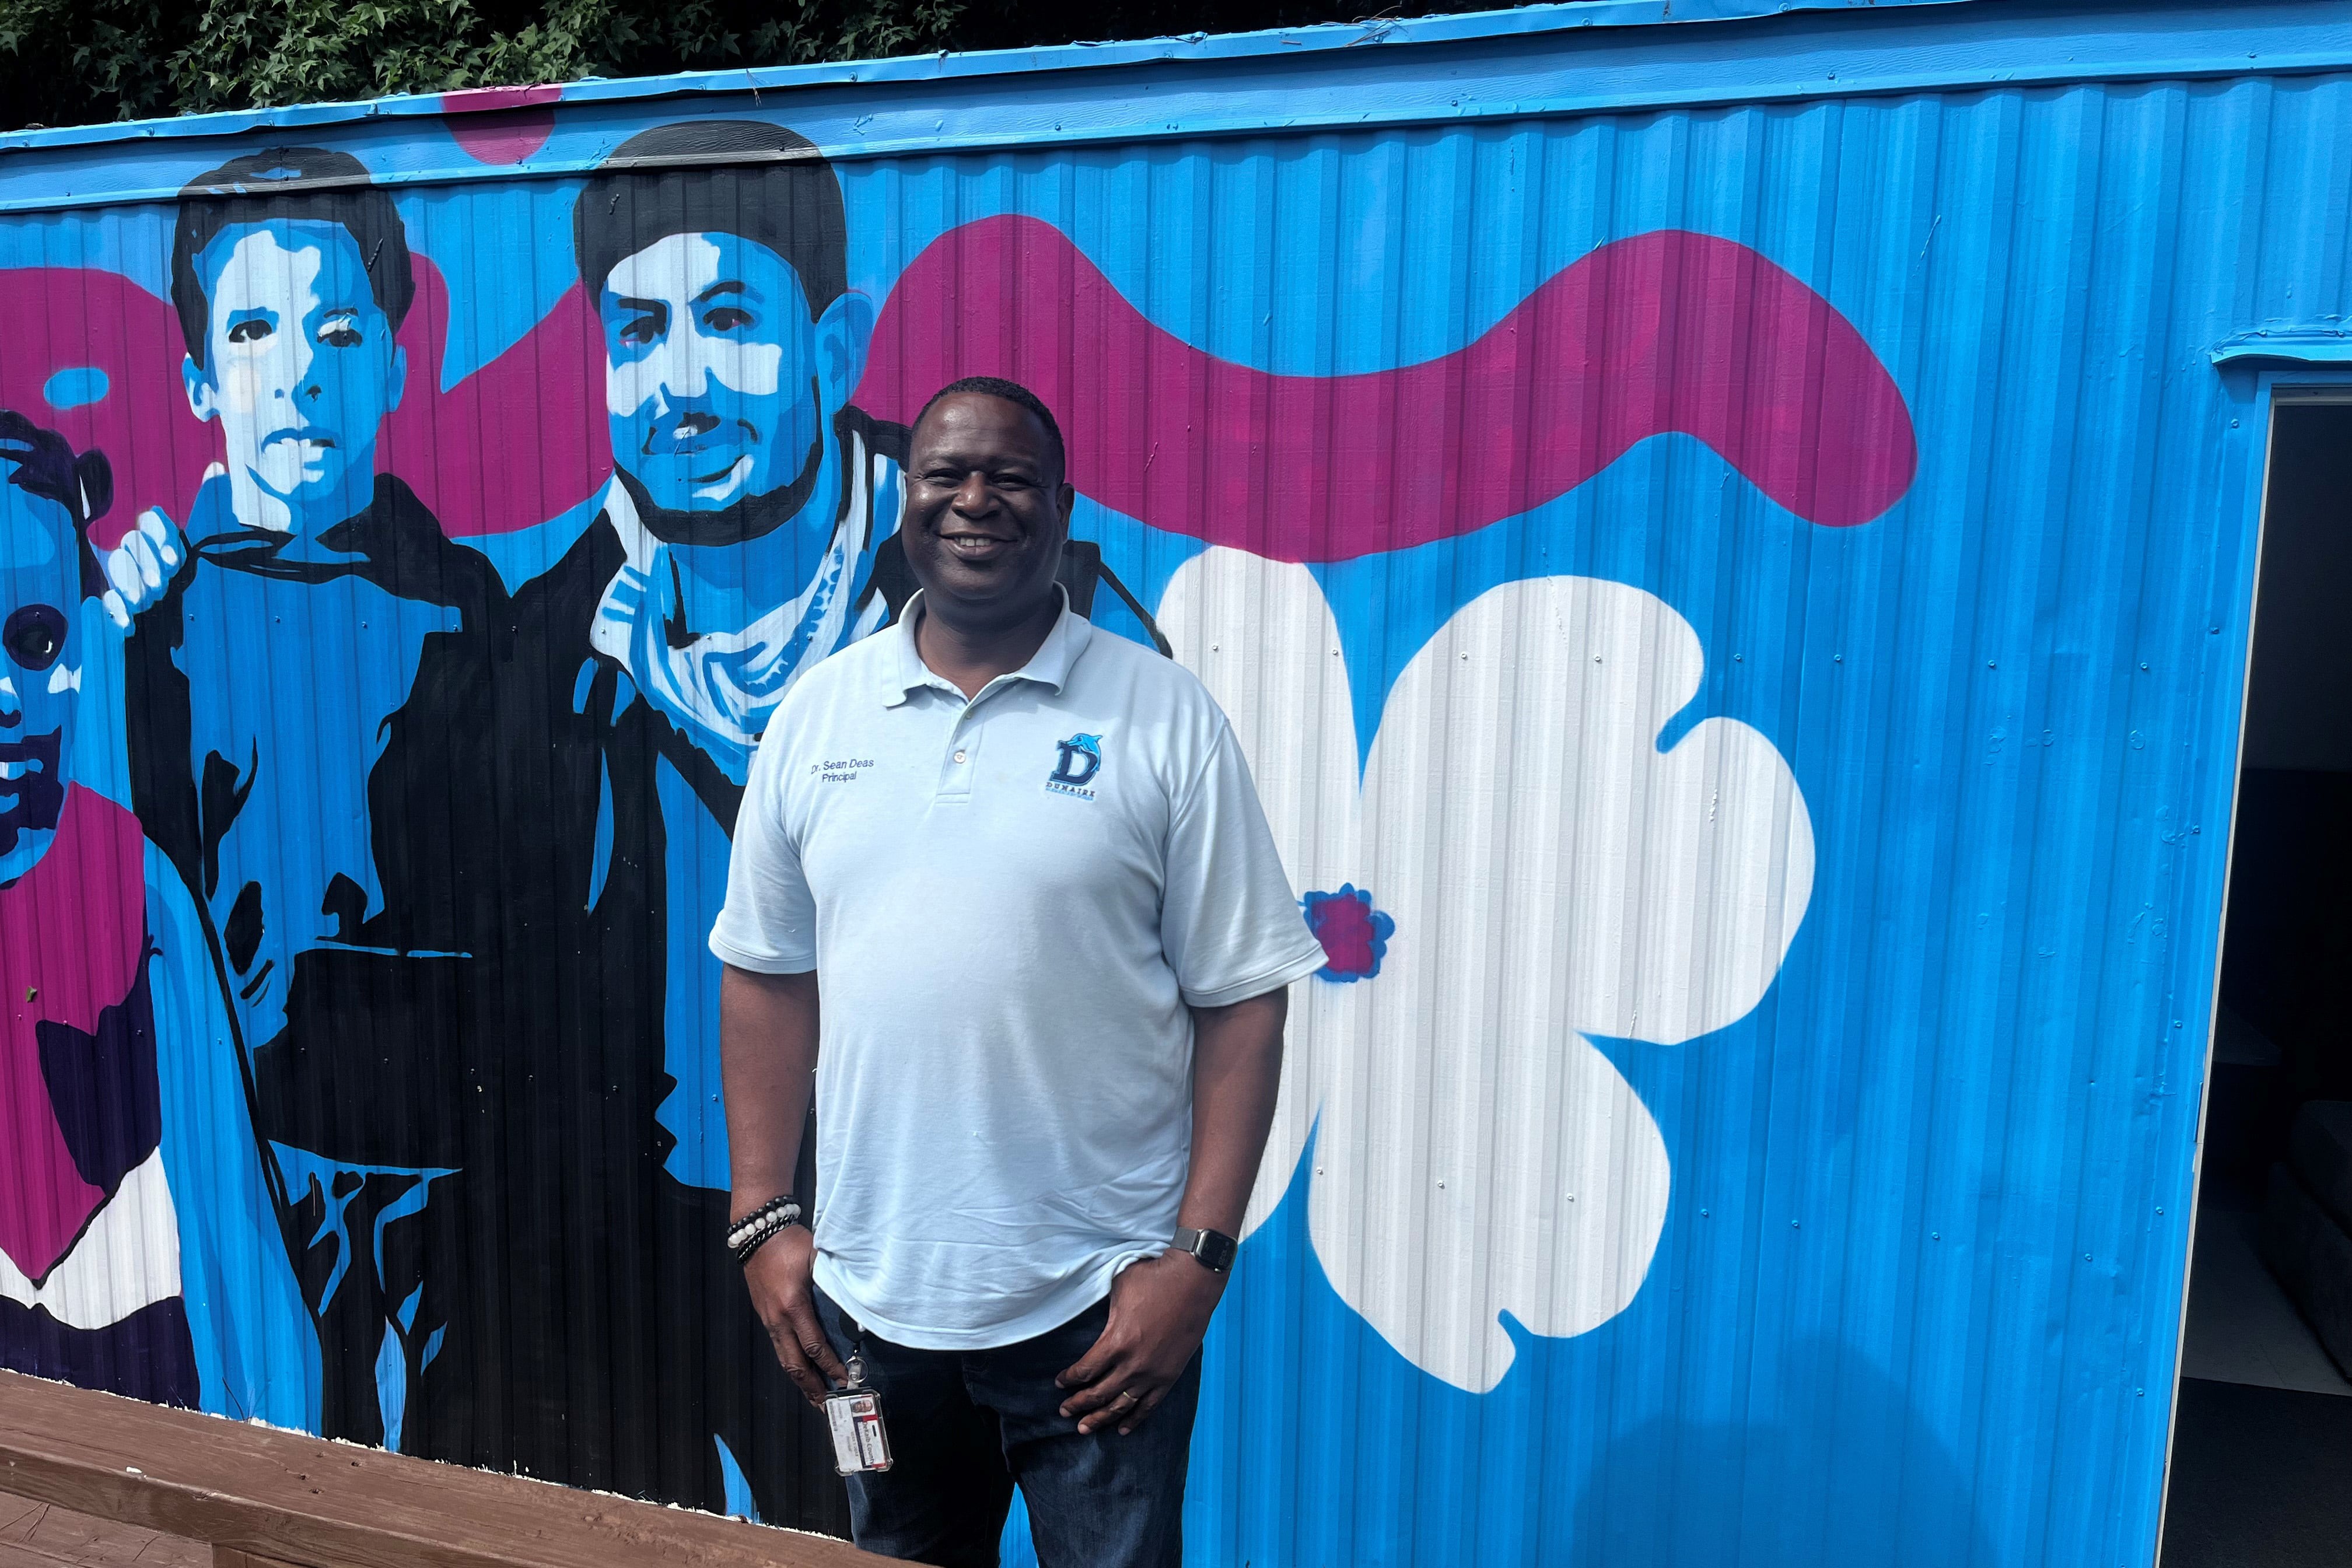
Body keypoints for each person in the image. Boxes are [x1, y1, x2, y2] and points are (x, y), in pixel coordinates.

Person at [710, 377, 1329, 1567]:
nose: (975, 501)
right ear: (906, 499)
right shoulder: (817, 716)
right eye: (947, 474)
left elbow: (1244, 1001)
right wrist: (761, 1221)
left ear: (1063, 506)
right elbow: (766, 973)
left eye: (1012, 479)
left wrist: (1197, 1264)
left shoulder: (1164, 718)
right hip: (864, 1323)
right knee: (881, 1555)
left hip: (1100, 1328)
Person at [483, 117, 901, 1527]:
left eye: (729, 319)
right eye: (638, 331)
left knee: (868, 1517)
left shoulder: (1001, 613)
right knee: (628, 1527)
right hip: (639, 1240)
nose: (682, 382)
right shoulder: (543, 651)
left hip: (896, 1234)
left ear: (836, 349)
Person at [110, 146, 511, 1450]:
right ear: (196, 380)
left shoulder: (471, 610)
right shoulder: (150, 625)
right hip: (245, 1146)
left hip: (437, 1157)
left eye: (340, 329)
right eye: (252, 329)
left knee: (432, 1475)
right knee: (264, 1454)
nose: (299, 369)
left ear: (394, 363)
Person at [0, 411, 313, 1428]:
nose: (7, 693)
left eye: (34, 639)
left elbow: (234, 1231)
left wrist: (285, 1472)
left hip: (141, 1375)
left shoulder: (132, 887)